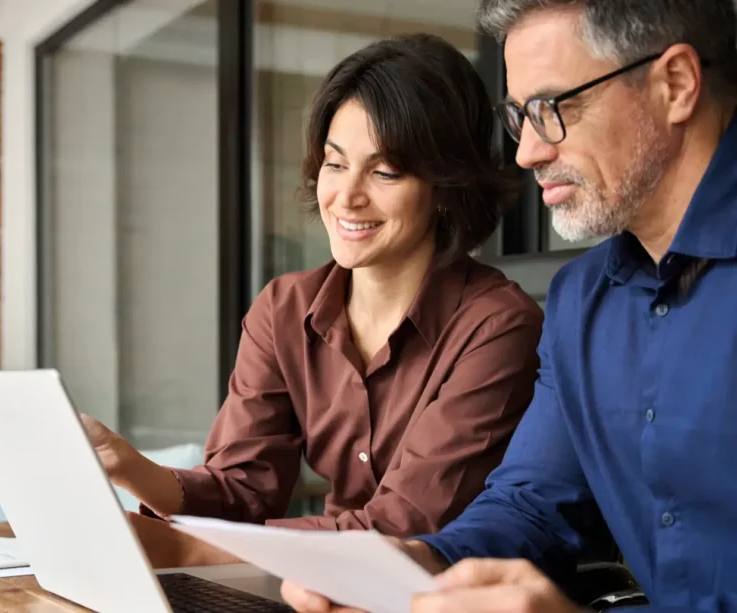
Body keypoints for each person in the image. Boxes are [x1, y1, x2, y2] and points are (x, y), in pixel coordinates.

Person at [280, 0, 737, 611]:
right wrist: (419, 560)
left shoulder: (505, 318)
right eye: (520, 117)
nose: (527, 154)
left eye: (551, 109)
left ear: (674, 84)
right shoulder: (581, 302)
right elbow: (532, 507)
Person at [80, 33, 544, 569]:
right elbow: (244, 491)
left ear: (445, 189)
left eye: (384, 171)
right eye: (334, 163)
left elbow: (406, 525)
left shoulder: (498, 327)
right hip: (313, 586)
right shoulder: (284, 309)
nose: (347, 196)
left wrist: (190, 548)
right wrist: (130, 467)